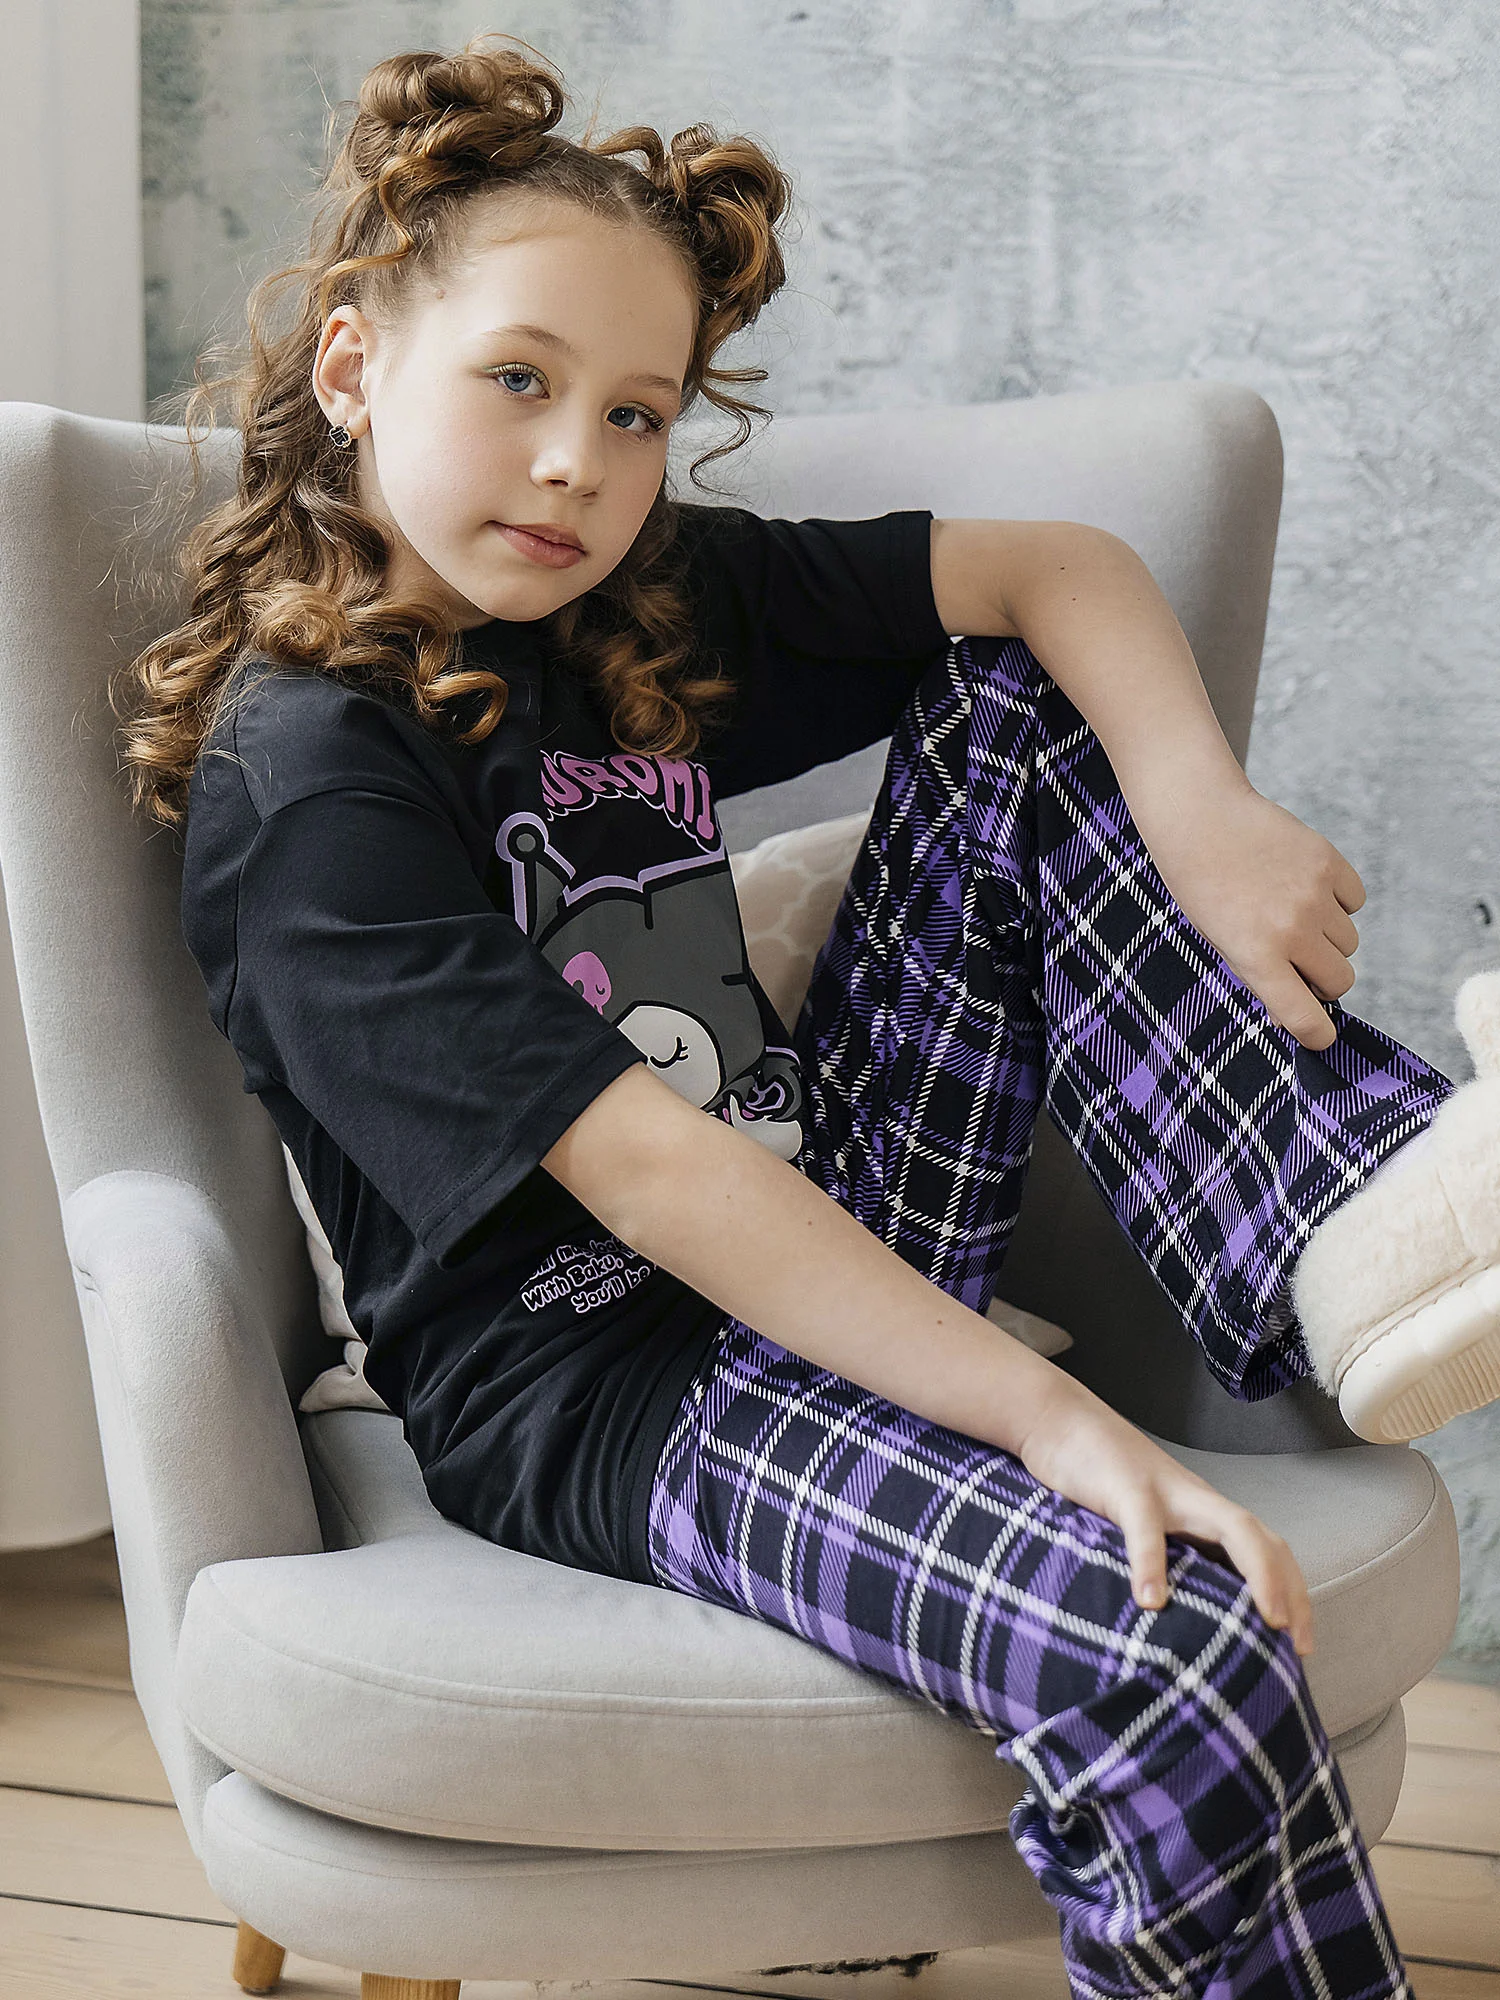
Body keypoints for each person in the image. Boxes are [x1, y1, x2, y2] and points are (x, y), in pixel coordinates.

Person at [113, 36, 1500, 2000]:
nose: (579, 463)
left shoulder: (622, 603)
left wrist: (1206, 808)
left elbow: (1053, 568)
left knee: (1011, 702)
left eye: (637, 412)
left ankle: (1347, 1213)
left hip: (833, 1211)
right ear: (353, 363)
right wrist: (1056, 1421)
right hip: (614, 1381)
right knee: (1175, 1642)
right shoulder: (309, 785)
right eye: (518, 379)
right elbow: (652, 1175)